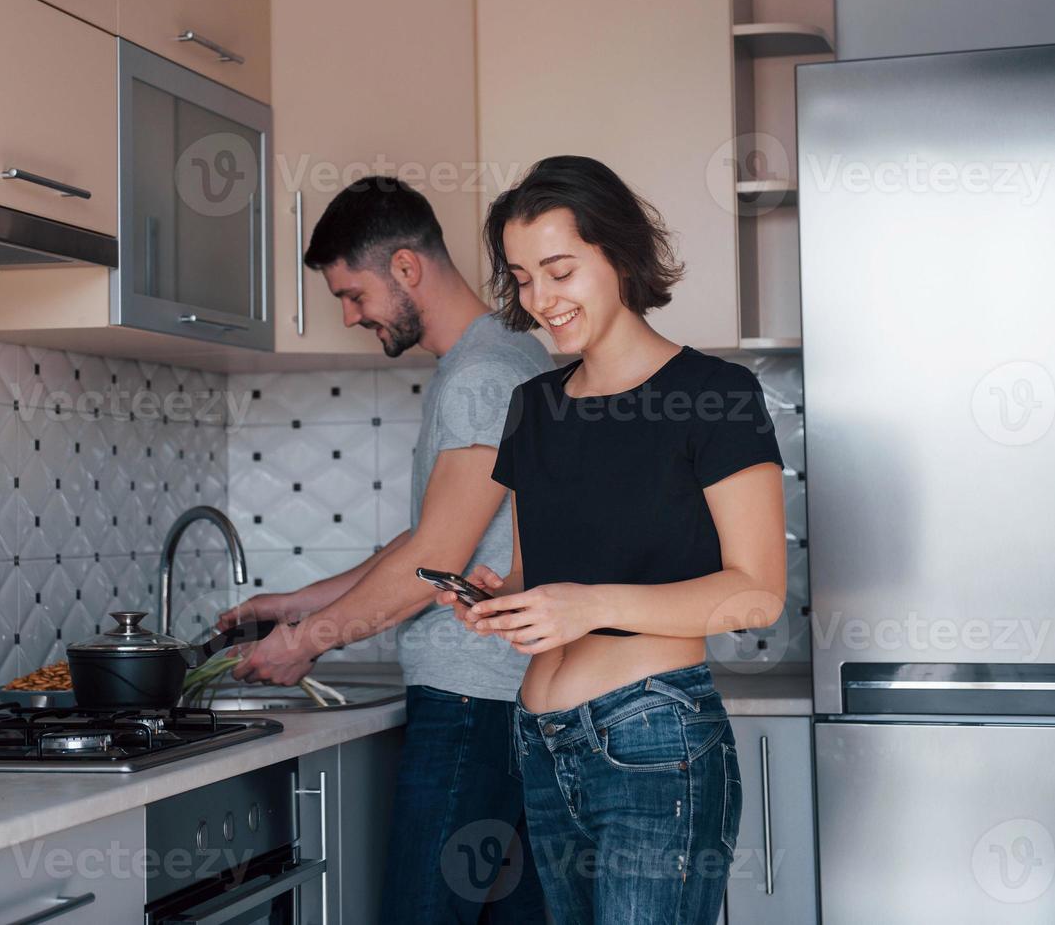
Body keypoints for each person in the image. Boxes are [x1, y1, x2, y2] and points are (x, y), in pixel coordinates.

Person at [443, 155, 787, 925]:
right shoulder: (532, 406)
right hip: (539, 737)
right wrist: (503, 603)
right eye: (523, 278)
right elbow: (541, 576)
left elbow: (757, 594)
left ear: (619, 256)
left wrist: (586, 607)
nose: (540, 300)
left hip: (652, 738)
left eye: (559, 270)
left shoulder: (714, 396)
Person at [217, 176, 552, 923]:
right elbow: (438, 534)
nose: (348, 315)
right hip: (503, 697)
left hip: (474, 699)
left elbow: (438, 555)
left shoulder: (481, 374)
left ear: (406, 267)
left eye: (353, 294)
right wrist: (297, 604)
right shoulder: (491, 360)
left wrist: (303, 643)